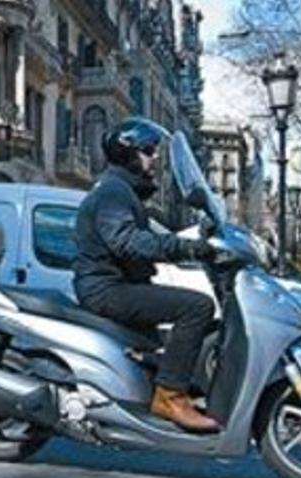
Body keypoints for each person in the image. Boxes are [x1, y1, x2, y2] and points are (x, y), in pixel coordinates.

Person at [73, 117, 220, 433]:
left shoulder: (122, 191)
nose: (154, 158)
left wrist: (202, 236)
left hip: (118, 284)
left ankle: (162, 390)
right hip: (106, 289)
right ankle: (169, 397)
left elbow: (147, 238)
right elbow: (128, 241)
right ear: (128, 154)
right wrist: (189, 249)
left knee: (159, 344)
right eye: (148, 151)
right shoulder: (113, 192)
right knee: (197, 306)